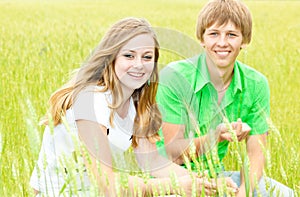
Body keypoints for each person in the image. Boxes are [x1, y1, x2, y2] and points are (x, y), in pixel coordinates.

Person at [30, 17, 238, 197]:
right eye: (129, 56)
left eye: (147, 57)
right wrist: (171, 187)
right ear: (111, 58)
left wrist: (202, 183)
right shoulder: (91, 100)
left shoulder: (135, 103)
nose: (139, 64)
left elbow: (153, 161)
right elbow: (107, 184)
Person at [156, 0, 295, 196]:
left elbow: (256, 154)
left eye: (231, 34)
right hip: (171, 178)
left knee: (286, 194)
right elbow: (173, 154)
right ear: (202, 38)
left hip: (217, 176)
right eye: (214, 34)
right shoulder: (175, 77)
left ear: (244, 40)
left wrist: (244, 192)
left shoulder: (256, 84)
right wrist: (216, 136)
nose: (222, 43)